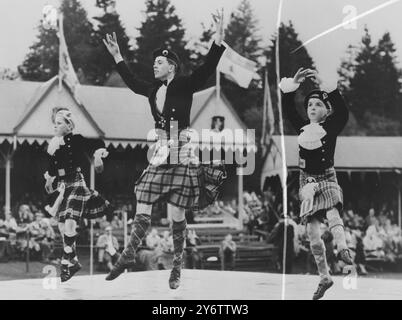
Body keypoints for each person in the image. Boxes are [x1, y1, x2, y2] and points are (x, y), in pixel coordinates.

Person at [103, 10, 227, 289]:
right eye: (154, 63)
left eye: (159, 62)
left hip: (181, 146)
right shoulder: (152, 90)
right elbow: (133, 81)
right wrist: (117, 57)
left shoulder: (185, 84)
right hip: (161, 149)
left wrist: (218, 35)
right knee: (144, 195)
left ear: (171, 65)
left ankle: (177, 267)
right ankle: (128, 254)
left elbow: (208, 66)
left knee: (177, 213)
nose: (154, 66)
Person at [280, 68, 353, 300]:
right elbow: (288, 110)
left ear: (326, 110)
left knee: (332, 214)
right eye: (310, 104)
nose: (312, 108)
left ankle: (342, 248)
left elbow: (342, 112)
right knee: (312, 232)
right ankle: (324, 277)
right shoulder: (302, 128)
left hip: (326, 176)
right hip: (306, 182)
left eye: (318, 105)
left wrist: (327, 86)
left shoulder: (331, 127)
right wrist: (292, 86)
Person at [43, 107, 110, 282]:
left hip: (77, 182)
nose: (55, 127)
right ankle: (73, 261)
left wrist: (98, 155)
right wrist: (49, 182)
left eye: (59, 123)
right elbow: (50, 174)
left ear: (68, 125)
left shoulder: (77, 140)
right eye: (54, 123)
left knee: (70, 223)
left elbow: (98, 144)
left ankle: (66, 262)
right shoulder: (53, 146)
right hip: (62, 187)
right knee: (61, 227)